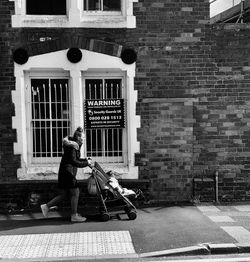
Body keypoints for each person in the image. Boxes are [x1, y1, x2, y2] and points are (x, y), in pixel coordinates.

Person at [40, 127, 94, 222]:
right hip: (68, 173)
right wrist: (86, 163)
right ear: (78, 138)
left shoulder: (73, 146)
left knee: (65, 194)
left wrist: (86, 160)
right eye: (83, 137)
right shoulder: (73, 147)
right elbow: (73, 161)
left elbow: (75, 159)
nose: (84, 139)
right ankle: (74, 216)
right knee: (75, 192)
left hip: (65, 172)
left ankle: (46, 206)